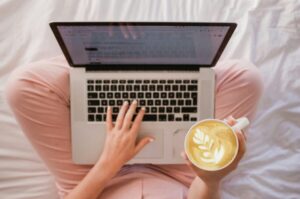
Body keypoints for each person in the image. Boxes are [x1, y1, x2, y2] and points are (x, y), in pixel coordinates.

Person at [4, 56, 263, 199]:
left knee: (23, 86)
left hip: (95, 179)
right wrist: (210, 178)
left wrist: (109, 163)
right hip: (182, 177)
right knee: (245, 77)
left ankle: (106, 61)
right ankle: (160, 63)